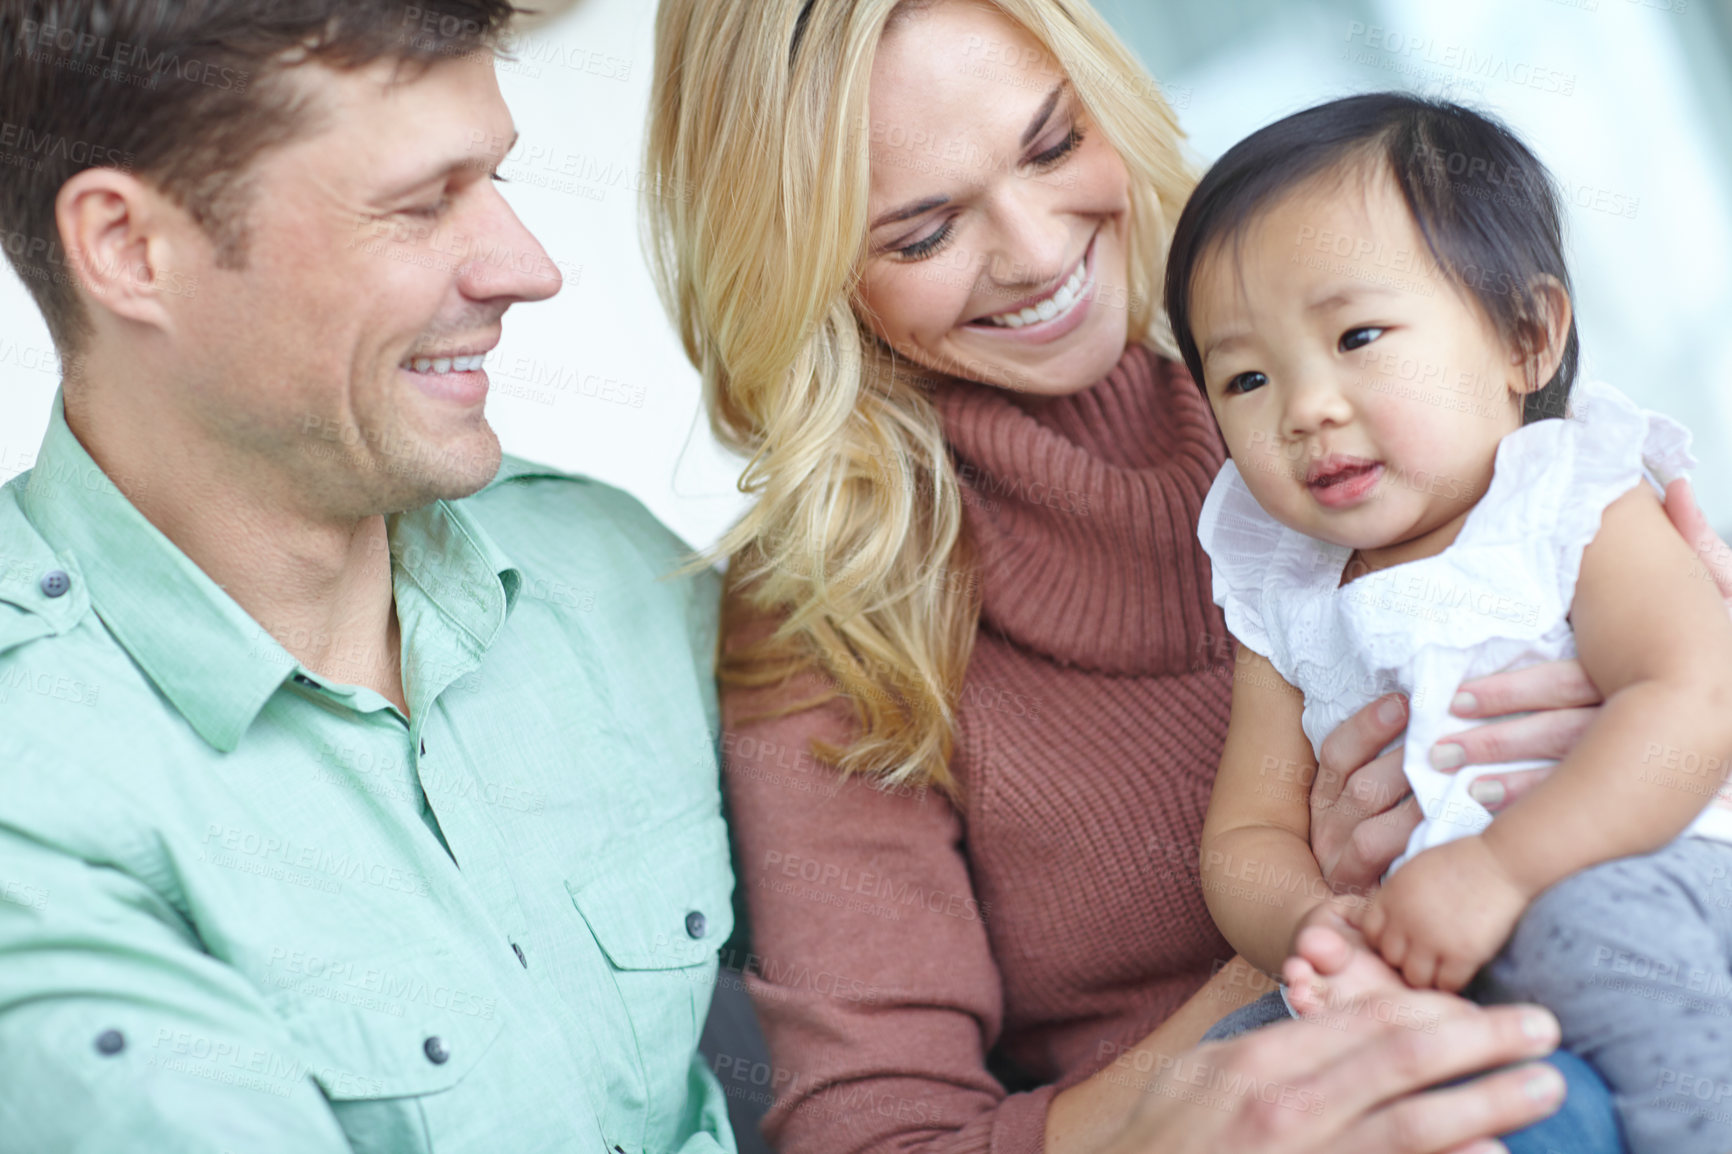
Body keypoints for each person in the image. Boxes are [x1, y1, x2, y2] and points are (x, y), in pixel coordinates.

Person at [642, 0, 1732, 1152]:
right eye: (920, 234)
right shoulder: (828, 617)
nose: (1036, 249)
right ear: (797, 267)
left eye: (1055, 143)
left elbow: (1681, 704)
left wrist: (1647, 719)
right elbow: (880, 1136)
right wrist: (1299, 954)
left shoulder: (1383, 395)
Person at [0, 3, 734, 1150]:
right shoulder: (31, 796)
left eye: (494, 180)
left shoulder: (628, 578)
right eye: (420, 203)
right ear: (131, 249)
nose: (526, 269)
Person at [1173, 91, 1732, 1154]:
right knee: (1236, 1068)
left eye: (1358, 336)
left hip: (1638, 868)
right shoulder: (1286, 584)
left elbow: (1694, 699)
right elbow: (1245, 833)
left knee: (1594, 936)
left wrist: (1503, 870)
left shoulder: (1567, 496)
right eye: (1245, 375)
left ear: (1525, 337)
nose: (1304, 405)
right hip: (1422, 936)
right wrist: (1309, 922)